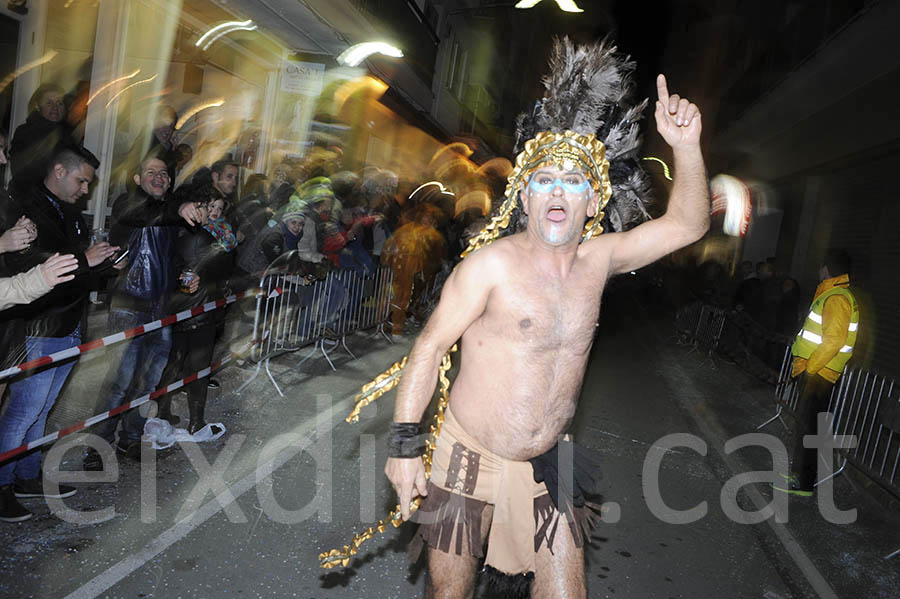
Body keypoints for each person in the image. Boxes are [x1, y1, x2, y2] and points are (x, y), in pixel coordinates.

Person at [384, 39, 708, 598]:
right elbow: (430, 346)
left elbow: (687, 226)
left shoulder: (601, 259)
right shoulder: (490, 267)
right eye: (544, 180)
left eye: (573, 181)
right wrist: (405, 447)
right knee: (448, 594)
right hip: (466, 454)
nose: (558, 190)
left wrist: (688, 146)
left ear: (592, 201)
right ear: (526, 198)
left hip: (547, 463)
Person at [0, 145, 119, 523]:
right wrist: (88, 261)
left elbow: (78, 266)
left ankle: (26, 475)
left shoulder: (70, 211)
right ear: (59, 170)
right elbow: (31, 265)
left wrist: (104, 266)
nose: (86, 188)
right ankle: (2, 485)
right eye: (82, 180)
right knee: (22, 412)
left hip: (69, 323)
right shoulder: (26, 206)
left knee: (42, 411)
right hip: (39, 324)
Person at [84, 154, 203, 465]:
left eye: (164, 172)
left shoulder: (170, 217)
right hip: (129, 307)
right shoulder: (128, 204)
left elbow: (170, 257)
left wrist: (184, 277)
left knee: (148, 383)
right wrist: (178, 208)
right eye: (150, 172)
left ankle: (132, 438)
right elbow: (146, 214)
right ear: (137, 180)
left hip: (161, 310)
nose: (159, 176)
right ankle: (97, 446)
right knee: (118, 383)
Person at [776, 249, 859, 497]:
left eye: (821, 266)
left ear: (826, 268)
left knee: (810, 429)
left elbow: (833, 340)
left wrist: (810, 368)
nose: (818, 270)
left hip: (819, 374)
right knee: (807, 427)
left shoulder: (836, 297)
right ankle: (800, 475)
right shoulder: (834, 295)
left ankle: (803, 483)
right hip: (818, 372)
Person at [157, 191, 235, 435]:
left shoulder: (186, 235)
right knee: (198, 367)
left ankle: (162, 412)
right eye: (205, 207)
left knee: (177, 361)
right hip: (199, 309)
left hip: (185, 308)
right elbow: (215, 271)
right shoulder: (200, 237)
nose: (209, 213)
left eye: (216, 208)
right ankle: (196, 421)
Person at [8, 84, 73, 196]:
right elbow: (23, 173)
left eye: (60, 103)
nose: (55, 108)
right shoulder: (26, 132)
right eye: (49, 103)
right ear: (37, 106)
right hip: (29, 201)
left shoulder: (66, 134)